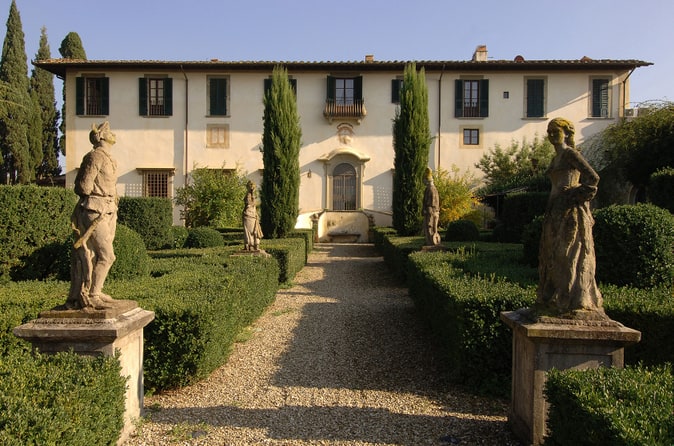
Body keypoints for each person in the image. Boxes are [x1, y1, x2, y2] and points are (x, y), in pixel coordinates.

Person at [536, 117, 605, 317]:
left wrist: (573, 195)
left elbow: (593, 178)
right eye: (549, 131)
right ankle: (554, 296)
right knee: (550, 255)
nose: (551, 135)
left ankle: (569, 299)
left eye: (555, 131)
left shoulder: (570, 154)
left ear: (566, 132)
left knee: (566, 255)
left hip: (569, 212)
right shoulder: (555, 158)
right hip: (554, 211)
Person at [67, 121, 119, 310]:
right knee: (107, 255)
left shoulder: (109, 158)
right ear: (102, 137)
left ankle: (96, 290)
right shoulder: (94, 157)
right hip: (94, 210)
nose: (113, 134)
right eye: (110, 132)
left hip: (108, 209)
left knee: (99, 253)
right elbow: (83, 185)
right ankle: (92, 294)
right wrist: (97, 194)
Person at [242, 180, 263, 251]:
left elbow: (250, 203)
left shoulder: (250, 195)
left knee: (253, 230)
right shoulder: (249, 195)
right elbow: (249, 203)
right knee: (251, 231)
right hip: (249, 215)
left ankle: (252, 245)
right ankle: (251, 245)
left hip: (251, 215)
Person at [422, 167, 441, 246]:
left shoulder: (431, 189)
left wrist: (427, 210)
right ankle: (430, 242)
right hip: (431, 212)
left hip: (431, 213)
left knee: (430, 227)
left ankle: (431, 242)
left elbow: (432, 204)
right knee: (429, 228)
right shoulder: (429, 189)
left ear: (427, 180)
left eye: (424, 180)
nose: (424, 182)